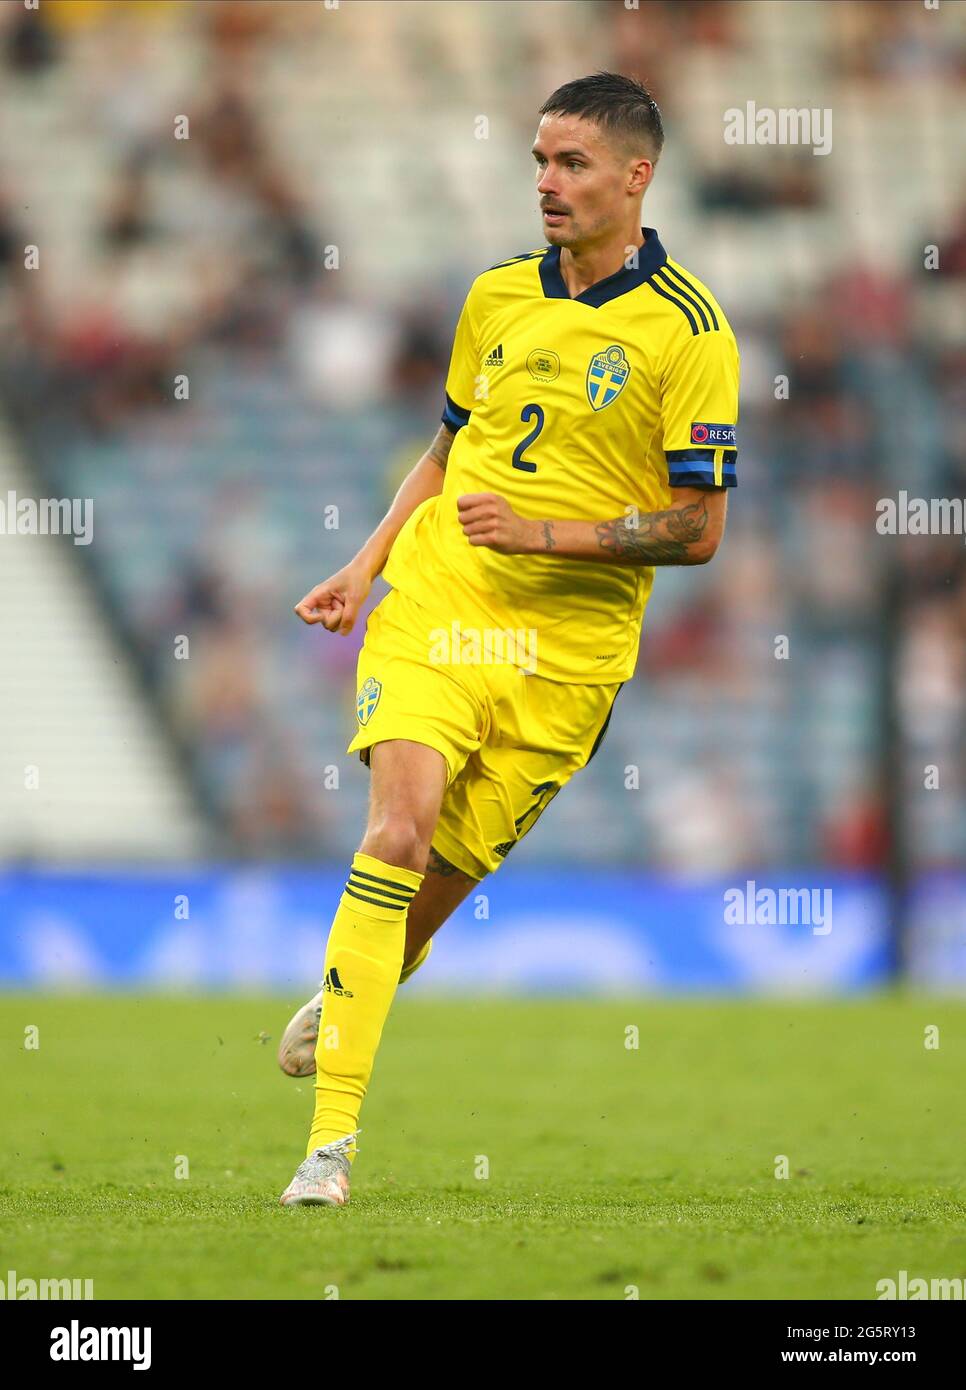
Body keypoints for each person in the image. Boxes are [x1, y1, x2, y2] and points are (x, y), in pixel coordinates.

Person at [278, 72, 739, 1207]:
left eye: (572, 164)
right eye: (538, 161)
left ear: (638, 176)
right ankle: (327, 1150)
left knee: (424, 895)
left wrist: (545, 530)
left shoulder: (690, 331)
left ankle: (355, 980)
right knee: (397, 830)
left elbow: (698, 529)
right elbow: (444, 452)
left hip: (567, 665)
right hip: (441, 607)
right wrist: (367, 559)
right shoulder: (492, 296)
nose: (547, 183)